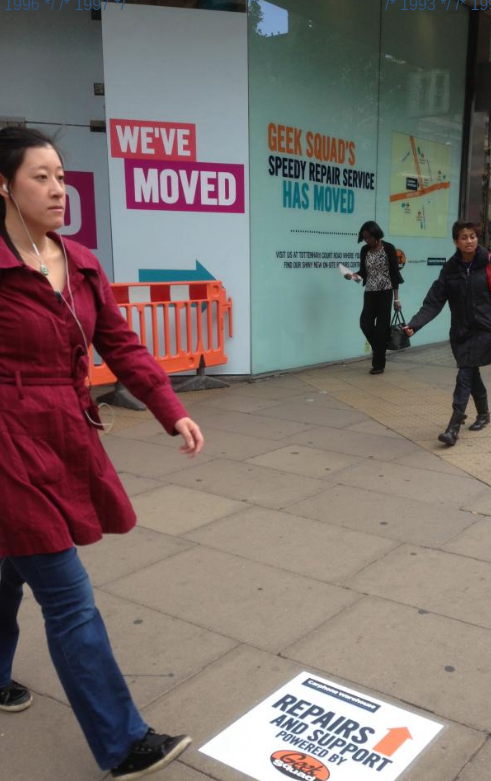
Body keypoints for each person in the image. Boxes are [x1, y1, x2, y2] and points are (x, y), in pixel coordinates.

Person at [0, 127, 204, 780]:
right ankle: (123, 743)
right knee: (69, 598)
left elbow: (122, 344)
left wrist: (170, 407)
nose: (58, 188)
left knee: (7, 571)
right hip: (6, 447)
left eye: (61, 174)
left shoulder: (81, 261)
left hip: (64, 438)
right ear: (2, 185)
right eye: (40, 176)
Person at [403, 221, 491, 446]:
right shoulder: (450, 268)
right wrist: (414, 325)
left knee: (465, 373)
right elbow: (434, 301)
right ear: (456, 241)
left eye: (473, 236)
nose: (469, 241)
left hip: (485, 331)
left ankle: (453, 426)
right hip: (460, 333)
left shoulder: (490, 263)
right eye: (464, 237)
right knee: (471, 373)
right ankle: (483, 414)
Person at [345, 221, 401, 375]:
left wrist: (396, 299)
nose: (366, 240)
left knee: (382, 329)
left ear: (376, 235)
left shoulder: (388, 248)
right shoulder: (364, 250)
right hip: (370, 292)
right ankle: (380, 350)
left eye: (368, 237)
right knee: (365, 324)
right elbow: (363, 272)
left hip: (385, 293)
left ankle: (378, 364)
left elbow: (395, 275)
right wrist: (353, 276)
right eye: (364, 238)